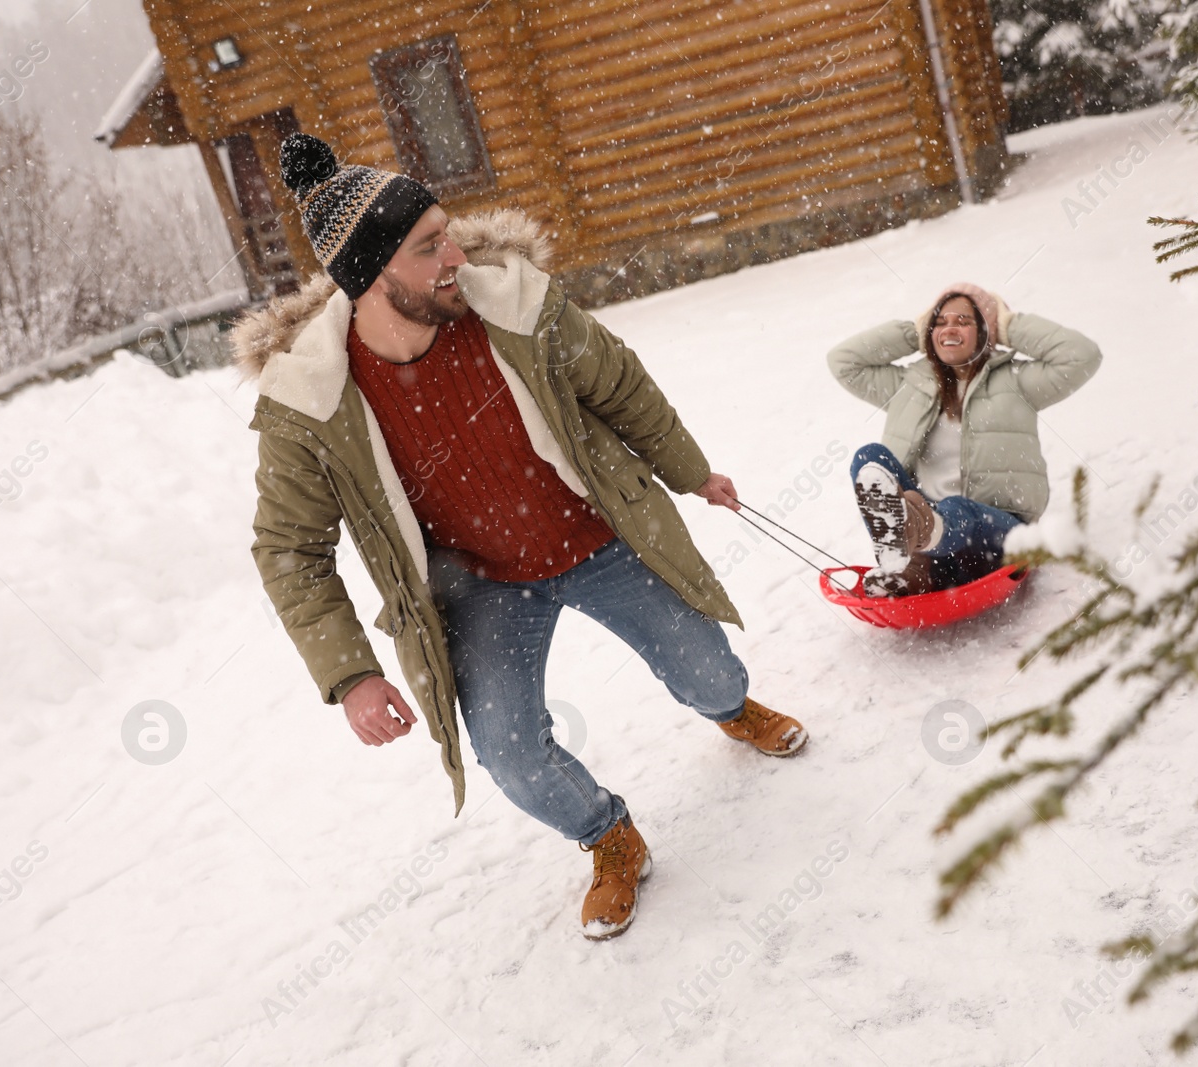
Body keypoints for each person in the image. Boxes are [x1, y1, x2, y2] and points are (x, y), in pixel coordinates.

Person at [233, 133, 808, 941]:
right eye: (429, 245)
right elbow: (288, 549)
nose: (456, 255)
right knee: (509, 752)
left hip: (593, 535)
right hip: (479, 585)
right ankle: (610, 836)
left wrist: (690, 470)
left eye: (449, 232)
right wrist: (350, 674)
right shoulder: (309, 401)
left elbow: (620, 384)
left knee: (708, 669)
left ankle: (730, 708)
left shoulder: (517, 310)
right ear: (371, 276)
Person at [827, 283, 1102, 597]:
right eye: (940, 322)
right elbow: (843, 362)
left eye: (963, 321)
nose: (949, 328)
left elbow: (1082, 356)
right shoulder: (910, 384)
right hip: (927, 542)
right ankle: (908, 565)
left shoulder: (1017, 382)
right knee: (869, 458)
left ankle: (922, 545)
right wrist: (914, 333)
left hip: (998, 534)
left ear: (986, 331)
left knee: (957, 508)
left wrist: (1008, 326)